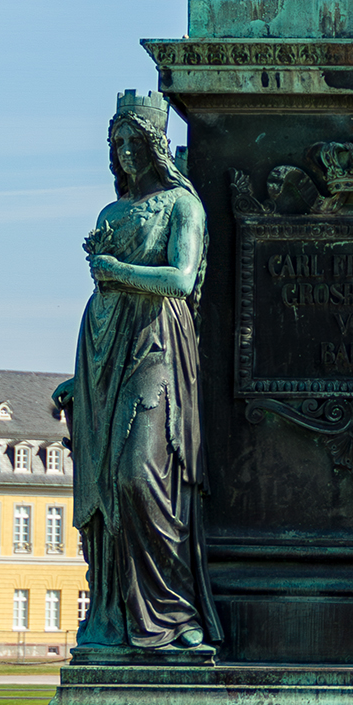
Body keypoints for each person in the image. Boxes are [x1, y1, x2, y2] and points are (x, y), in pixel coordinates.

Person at [53, 92, 223, 656]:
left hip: (159, 346)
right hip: (104, 352)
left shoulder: (183, 206)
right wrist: (82, 382)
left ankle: (173, 611)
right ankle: (120, 614)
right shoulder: (112, 214)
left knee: (139, 473)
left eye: (134, 141)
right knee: (110, 488)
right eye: (116, 143)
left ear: (155, 144)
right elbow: (103, 299)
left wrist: (119, 272)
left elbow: (179, 278)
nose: (125, 153)